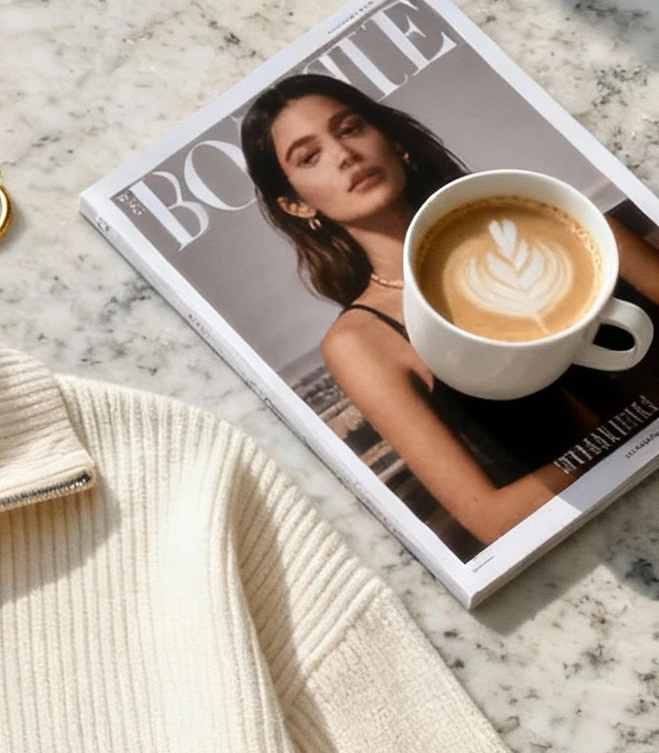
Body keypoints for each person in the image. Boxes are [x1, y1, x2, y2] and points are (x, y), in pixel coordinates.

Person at [239, 73, 659, 545]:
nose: (343, 155)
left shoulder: (554, 219)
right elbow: (490, 518)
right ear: (295, 204)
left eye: (351, 128)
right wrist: (633, 434)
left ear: (393, 140)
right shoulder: (361, 342)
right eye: (310, 156)